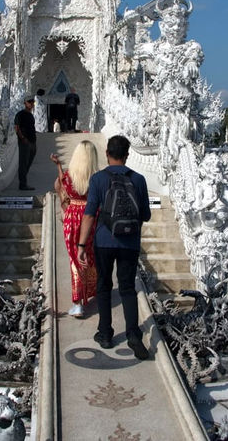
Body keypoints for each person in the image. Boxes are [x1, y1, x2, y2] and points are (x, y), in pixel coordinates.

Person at [77, 135, 151, 360]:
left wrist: (81, 244)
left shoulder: (98, 179)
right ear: (127, 155)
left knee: (104, 285)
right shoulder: (138, 179)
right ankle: (134, 335)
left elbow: (89, 214)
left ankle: (105, 333)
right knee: (127, 288)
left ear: (107, 153)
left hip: (104, 240)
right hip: (130, 242)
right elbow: (145, 214)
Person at [50, 141, 99, 318]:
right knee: (89, 255)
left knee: (75, 259)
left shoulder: (69, 176)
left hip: (72, 218)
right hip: (91, 216)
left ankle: (77, 302)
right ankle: (90, 290)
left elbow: (62, 188)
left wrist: (59, 166)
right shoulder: (96, 178)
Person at [14, 97, 37, 190]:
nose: (31, 104)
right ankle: (22, 184)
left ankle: (23, 181)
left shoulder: (31, 115)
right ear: (25, 103)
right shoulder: (20, 114)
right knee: (23, 163)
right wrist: (22, 138)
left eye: (32, 102)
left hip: (32, 142)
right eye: (29, 102)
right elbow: (17, 127)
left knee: (28, 162)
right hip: (25, 142)